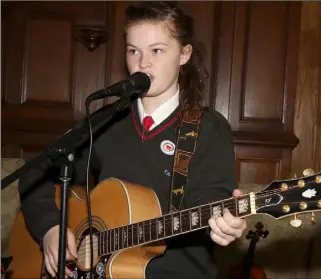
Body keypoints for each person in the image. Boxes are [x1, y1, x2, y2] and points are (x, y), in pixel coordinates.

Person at [19, 2, 247, 279]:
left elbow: (211, 198)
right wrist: (51, 228)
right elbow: (35, 172)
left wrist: (221, 223)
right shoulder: (106, 122)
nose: (143, 63)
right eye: (133, 51)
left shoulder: (209, 128)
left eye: (157, 50)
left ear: (184, 54)